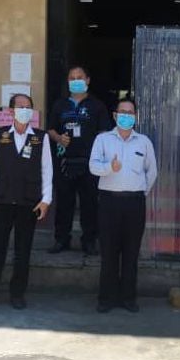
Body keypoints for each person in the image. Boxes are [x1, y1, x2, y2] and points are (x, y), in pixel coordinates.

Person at [0, 94, 53, 312]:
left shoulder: (41, 137)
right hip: (1, 201)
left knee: (23, 251)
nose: (24, 110)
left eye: (28, 107)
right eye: (20, 107)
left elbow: (47, 170)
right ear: (11, 111)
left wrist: (46, 199)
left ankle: (17, 294)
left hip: (28, 202)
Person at [89, 97, 158, 313]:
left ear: (135, 116)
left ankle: (128, 298)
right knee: (109, 252)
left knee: (131, 252)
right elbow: (93, 166)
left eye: (130, 113)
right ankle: (106, 298)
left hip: (135, 203)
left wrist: (140, 191)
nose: (126, 116)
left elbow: (152, 171)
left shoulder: (144, 142)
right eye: (122, 112)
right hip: (109, 201)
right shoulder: (103, 140)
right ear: (115, 115)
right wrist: (110, 167)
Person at [47, 65, 113, 254]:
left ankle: (89, 241)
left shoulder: (97, 105)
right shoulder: (60, 104)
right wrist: (59, 138)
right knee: (64, 204)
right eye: (72, 78)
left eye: (79, 77)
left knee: (90, 204)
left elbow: (104, 132)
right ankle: (61, 240)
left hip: (89, 163)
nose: (76, 81)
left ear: (87, 80)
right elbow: (50, 129)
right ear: (68, 82)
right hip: (65, 161)